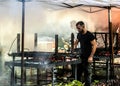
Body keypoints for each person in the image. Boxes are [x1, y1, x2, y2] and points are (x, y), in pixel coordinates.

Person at [74, 21, 97, 86]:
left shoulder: (89, 35)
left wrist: (91, 56)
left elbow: (95, 45)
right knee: (79, 72)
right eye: (77, 28)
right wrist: (74, 48)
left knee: (87, 73)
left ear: (83, 26)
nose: (78, 30)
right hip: (81, 56)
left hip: (88, 56)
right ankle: (79, 84)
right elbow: (76, 42)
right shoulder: (79, 34)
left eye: (79, 28)